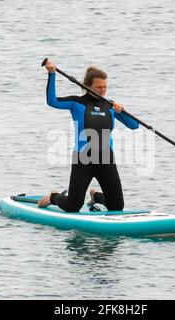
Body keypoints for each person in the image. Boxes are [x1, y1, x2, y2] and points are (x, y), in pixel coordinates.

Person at [38, 59, 139, 212]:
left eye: (105, 87)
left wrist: (122, 111)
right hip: (83, 159)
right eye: (99, 87)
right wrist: (52, 74)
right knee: (73, 206)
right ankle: (53, 197)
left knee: (117, 206)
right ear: (87, 86)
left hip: (106, 159)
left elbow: (134, 125)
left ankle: (96, 196)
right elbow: (52, 101)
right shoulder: (76, 103)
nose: (103, 91)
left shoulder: (110, 106)